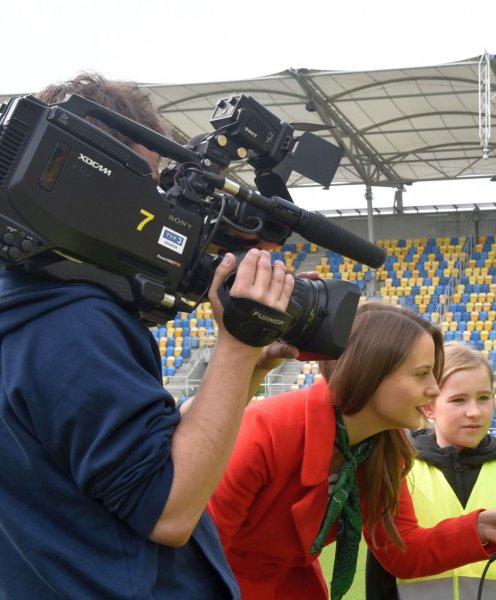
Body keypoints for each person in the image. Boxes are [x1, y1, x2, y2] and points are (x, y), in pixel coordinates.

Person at [0, 73, 298, 597]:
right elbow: (168, 509)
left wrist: (242, 371)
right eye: (150, 180)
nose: (159, 206)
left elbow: (123, 458)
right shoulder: (72, 322)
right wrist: (234, 346)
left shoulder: (28, 304)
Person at [207, 302, 496, 600]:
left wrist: (479, 528)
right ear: (371, 373)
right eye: (422, 374)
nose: (433, 389)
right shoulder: (263, 432)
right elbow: (193, 556)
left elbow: (402, 551)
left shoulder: (384, 448)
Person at [365, 342, 496, 599]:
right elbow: (380, 578)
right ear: (428, 406)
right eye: (458, 400)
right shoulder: (400, 474)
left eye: (484, 398)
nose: (474, 411)